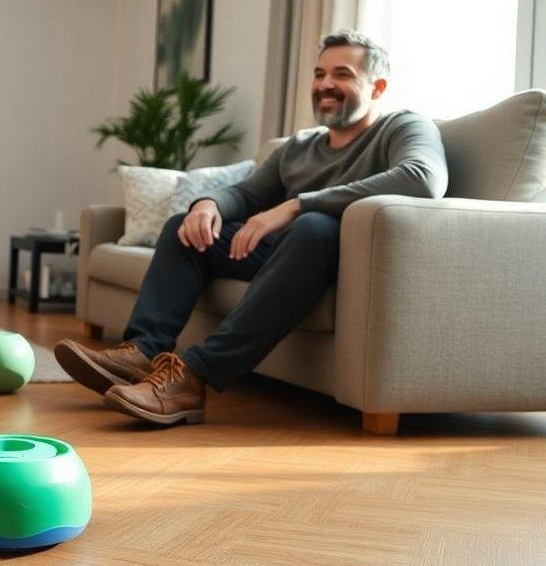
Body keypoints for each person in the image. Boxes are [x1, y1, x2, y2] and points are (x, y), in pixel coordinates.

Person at [54, 29, 449, 426]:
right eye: (319, 74)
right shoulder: (298, 147)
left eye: (342, 74)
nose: (326, 84)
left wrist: (298, 204)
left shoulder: (404, 127)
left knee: (315, 226)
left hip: (335, 261)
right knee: (185, 228)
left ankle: (194, 376)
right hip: (284, 258)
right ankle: (141, 353)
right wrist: (207, 204)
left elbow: (423, 178)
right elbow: (245, 195)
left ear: (377, 86)